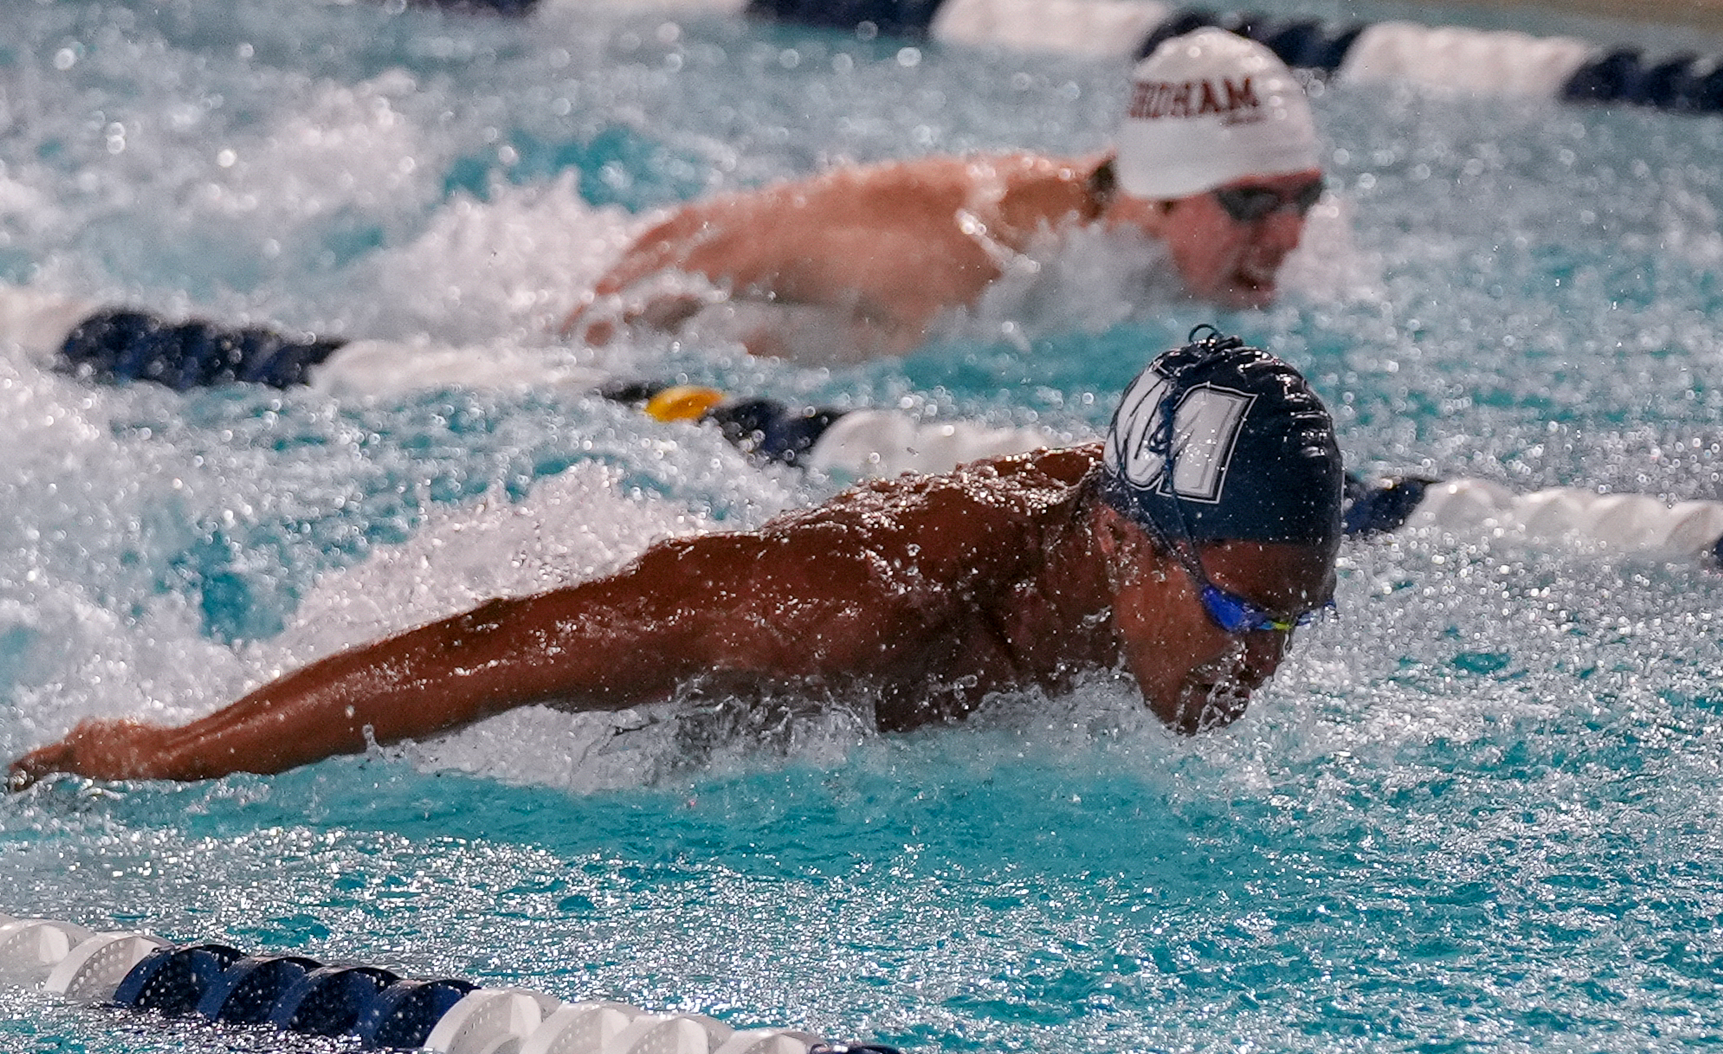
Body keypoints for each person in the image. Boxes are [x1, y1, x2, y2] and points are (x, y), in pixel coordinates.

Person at [8, 331, 1344, 787]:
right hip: (611, 714)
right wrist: (178, 748)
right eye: (1238, 609)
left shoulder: (1145, 562)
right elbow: (494, 655)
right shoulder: (844, 613)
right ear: (1122, 541)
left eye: (1293, 619)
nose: (1261, 659)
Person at [559, 28, 1328, 364]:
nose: (1291, 238)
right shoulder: (958, 249)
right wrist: (576, 358)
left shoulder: (1212, 225)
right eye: (1253, 206)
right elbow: (691, 249)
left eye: (1306, 197)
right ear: (1155, 197)